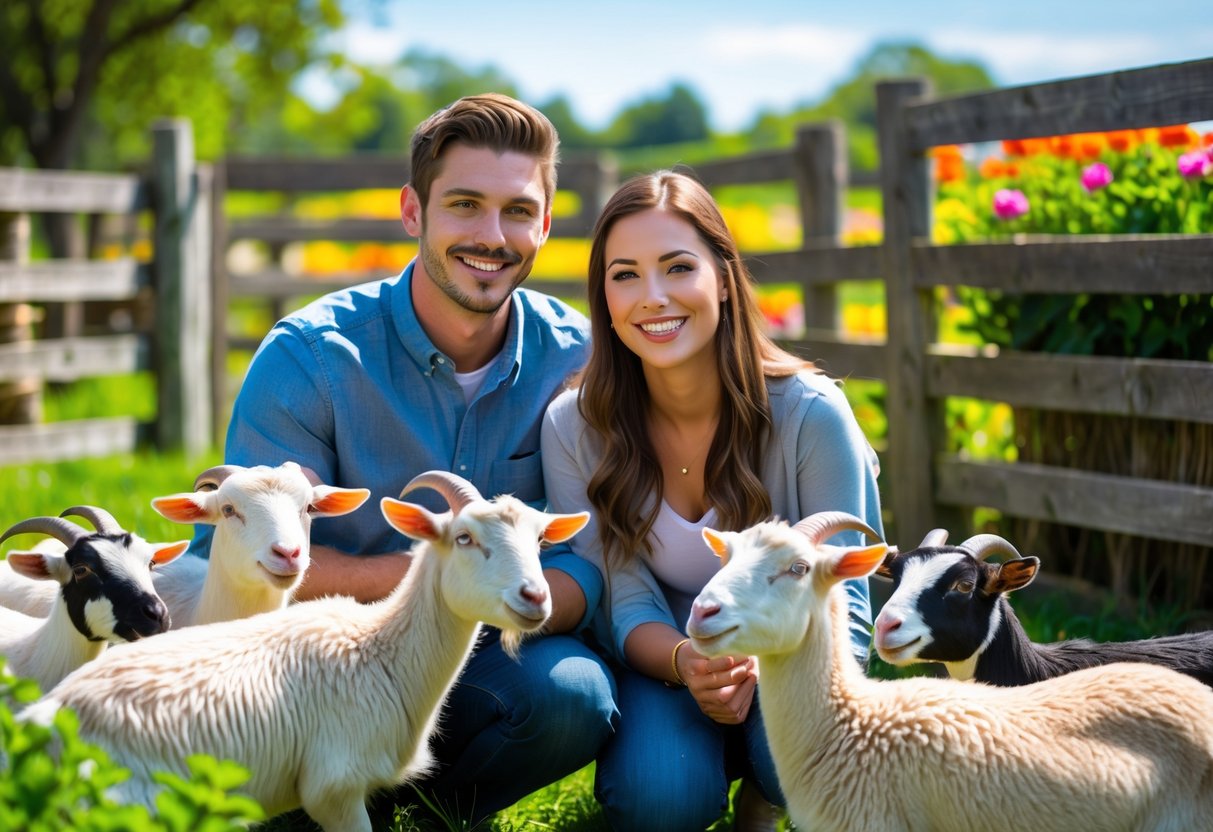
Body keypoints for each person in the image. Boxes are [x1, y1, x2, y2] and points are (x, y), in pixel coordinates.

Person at [190, 93, 616, 826]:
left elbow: (594, 552)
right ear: (413, 212)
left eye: (517, 211)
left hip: (487, 654)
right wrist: (439, 582)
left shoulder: (582, 359)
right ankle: (322, 789)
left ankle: (422, 812)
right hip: (312, 673)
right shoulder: (311, 358)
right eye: (464, 205)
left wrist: (504, 589)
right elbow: (232, 560)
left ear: (545, 223)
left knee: (574, 697)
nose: (492, 235)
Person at [540, 170, 882, 832]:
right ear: (603, 299)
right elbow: (622, 594)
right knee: (659, 800)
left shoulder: (812, 415)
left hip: (789, 660)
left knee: (797, 762)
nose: (653, 297)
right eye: (625, 275)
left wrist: (761, 662)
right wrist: (686, 661)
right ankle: (694, 760)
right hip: (661, 656)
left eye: (677, 267)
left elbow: (849, 606)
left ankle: (765, 789)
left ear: (722, 278)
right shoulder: (572, 427)